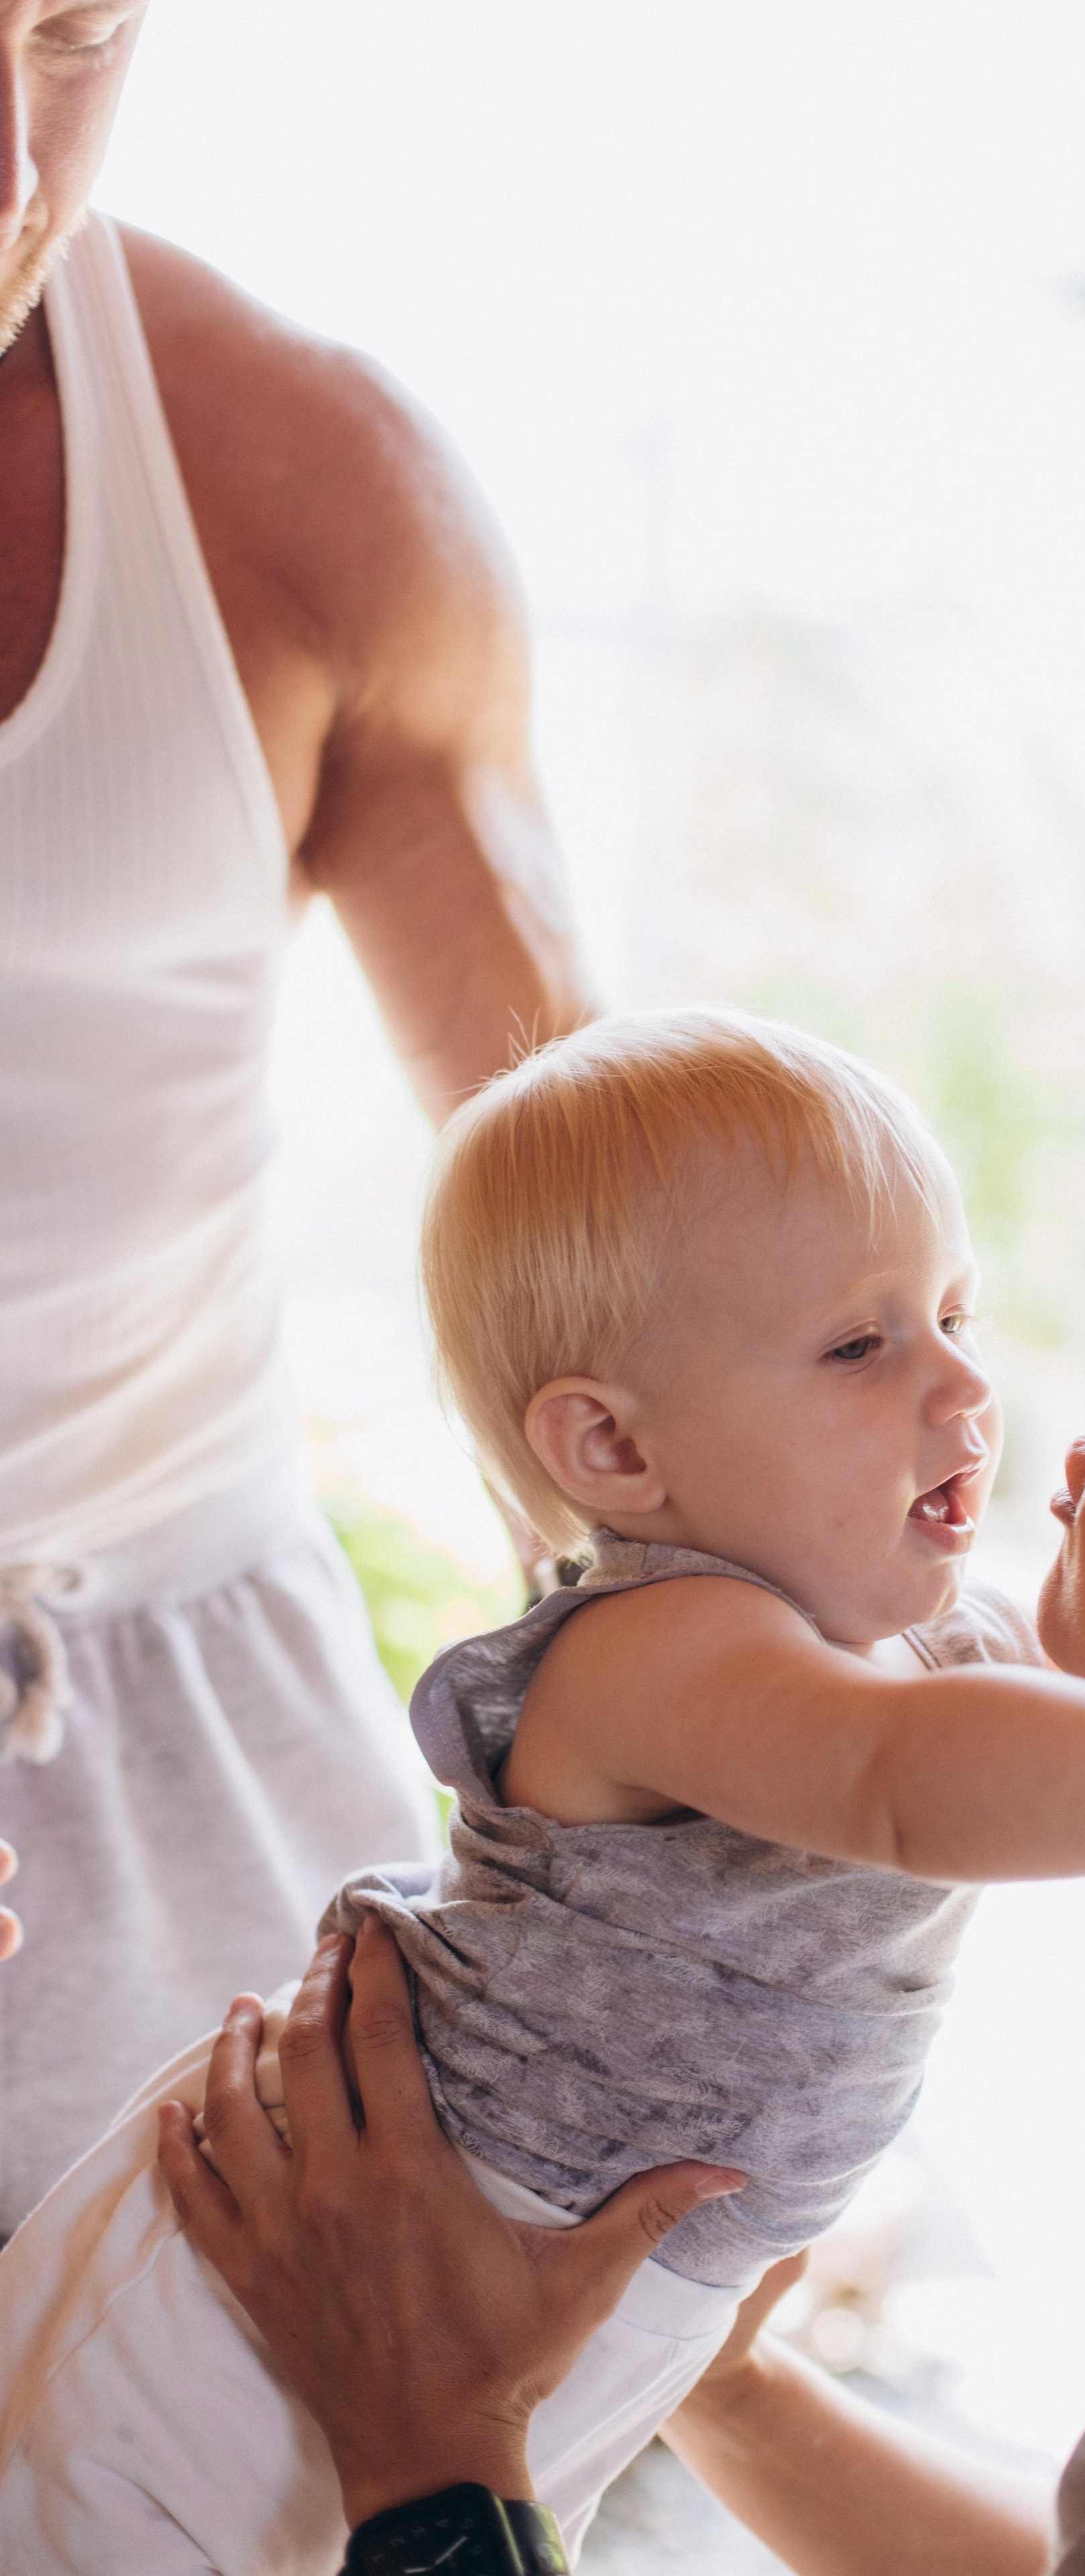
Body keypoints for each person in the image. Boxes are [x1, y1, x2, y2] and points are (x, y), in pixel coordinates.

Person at [0, 1043, 1085, 2573]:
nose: (1075, 1369)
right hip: (301, 2293)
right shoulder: (670, 1645)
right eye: (862, 1343)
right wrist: (712, 2383)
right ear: (606, 1447)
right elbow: (909, 1770)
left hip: (431, 2349)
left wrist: (443, 2462)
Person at [0, 0, 591, 2223]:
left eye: (72, 37)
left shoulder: (303, 482)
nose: (8, 170)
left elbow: (606, 1262)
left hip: (180, 1742)